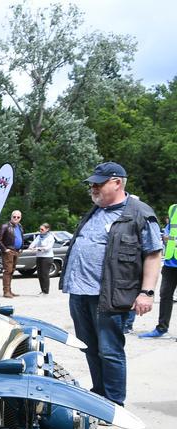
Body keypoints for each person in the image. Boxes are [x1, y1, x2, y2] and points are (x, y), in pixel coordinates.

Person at [60, 162, 162, 406]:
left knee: (110, 351)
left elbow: (153, 254)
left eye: (99, 183)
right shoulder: (95, 210)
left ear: (117, 183)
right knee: (89, 348)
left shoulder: (138, 213)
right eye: (92, 184)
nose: (93, 188)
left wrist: (146, 293)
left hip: (108, 296)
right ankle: (99, 395)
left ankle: (115, 403)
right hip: (79, 293)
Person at [139, 207, 176, 339]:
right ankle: (161, 328)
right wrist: (166, 235)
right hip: (171, 261)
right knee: (165, 295)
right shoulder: (173, 208)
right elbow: (170, 228)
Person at [0, 210, 24, 298]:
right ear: (11, 217)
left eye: (18, 217)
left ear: (20, 218)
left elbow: (21, 238)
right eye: (14, 217)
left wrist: (21, 248)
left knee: (12, 270)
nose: (16, 218)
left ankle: (9, 290)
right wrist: (5, 250)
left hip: (16, 251)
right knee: (8, 270)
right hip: (9, 251)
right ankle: (6, 291)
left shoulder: (19, 227)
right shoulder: (5, 226)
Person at [29, 223, 56, 295]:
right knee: (39, 274)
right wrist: (32, 247)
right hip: (39, 257)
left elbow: (47, 248)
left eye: (42, 229)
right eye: (40, 229)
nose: (40, 230)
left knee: (44, 274)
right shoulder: (39, 236)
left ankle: (45, 291)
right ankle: (42, 290)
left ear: (47, 229)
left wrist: (37, 248)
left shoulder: (50, 237)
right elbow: (32, 245)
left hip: (47, 258)